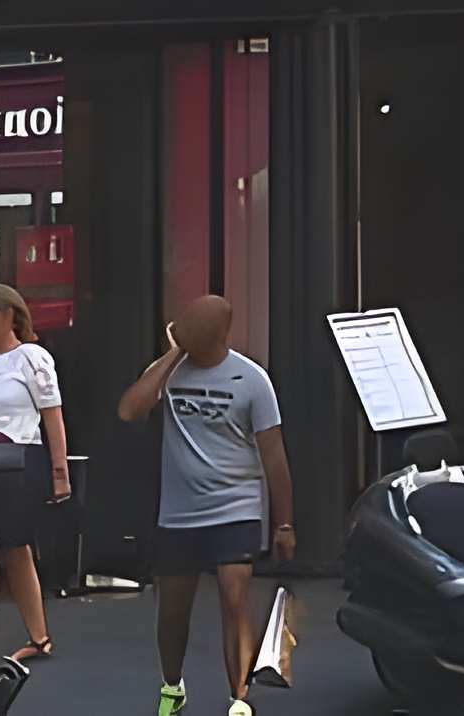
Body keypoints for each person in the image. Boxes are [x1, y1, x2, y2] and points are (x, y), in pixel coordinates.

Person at [118, 294, 294, 716]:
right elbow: (129, 411)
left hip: (236, 505)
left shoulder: (252, 380)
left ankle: (239, 697)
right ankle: (172, 686)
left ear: (217, 336)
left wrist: (284, 522)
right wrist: (173, 355)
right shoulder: (168, 373)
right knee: (173, 610)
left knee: (235, 597)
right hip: (180, 512)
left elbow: (273, 454)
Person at [0, 282, 70, 663]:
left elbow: (51, 415)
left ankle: (39, 635)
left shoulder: (31, 358)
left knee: (14, 545)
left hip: (19, 458)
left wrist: (60, 471)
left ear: (8, 318)